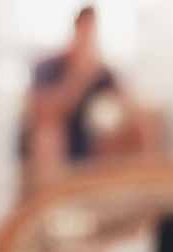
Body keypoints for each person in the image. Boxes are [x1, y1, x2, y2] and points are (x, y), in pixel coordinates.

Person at [20, 6, 119, 180]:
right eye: (85, 31)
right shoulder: (48, 65)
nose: (88, 38)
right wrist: (80, 78)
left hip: (90, 140)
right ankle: (52, 194)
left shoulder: (103, 72)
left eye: (92, 33)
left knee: (141, 127)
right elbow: (43, 110)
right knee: (48, 132)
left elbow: (121, 106)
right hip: (58, 139)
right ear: (76, 30)